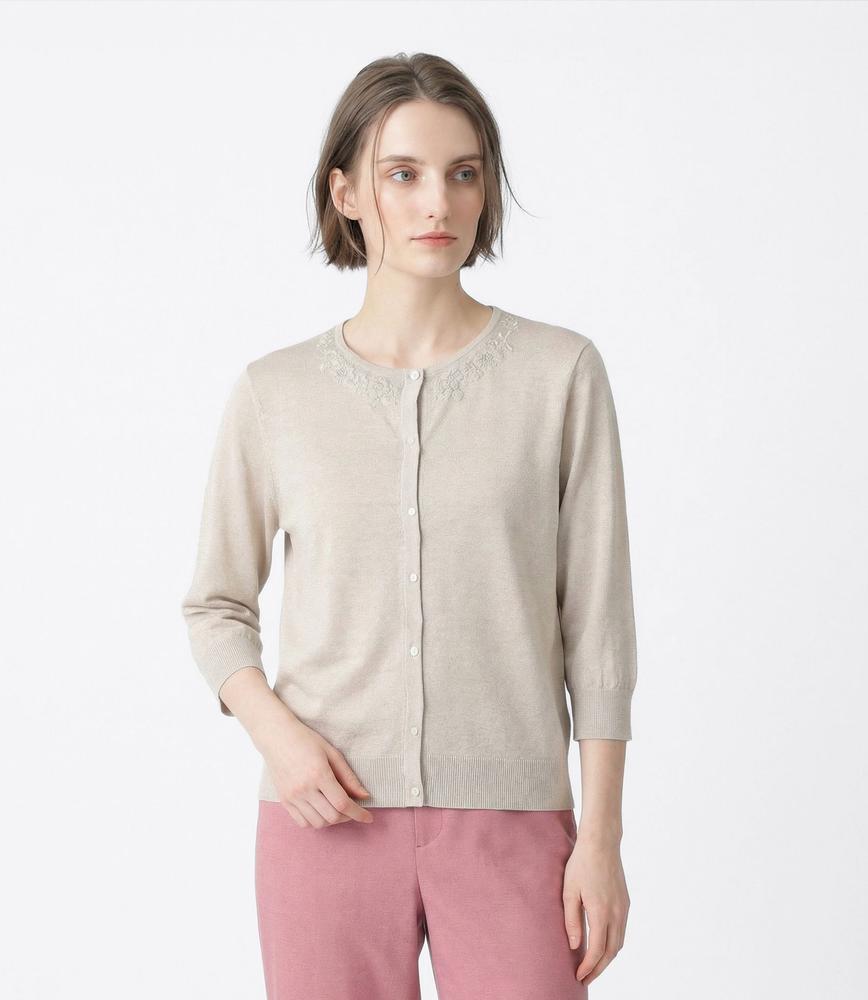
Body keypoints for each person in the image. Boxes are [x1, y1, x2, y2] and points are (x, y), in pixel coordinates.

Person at [181, 51, 638, 1000]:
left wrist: (601, 839)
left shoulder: (559, 376)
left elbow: (597, 629)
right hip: (323, 818)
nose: (439, 202)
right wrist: (279, 739)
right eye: (404, 174)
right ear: (347, 193)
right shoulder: (276, 393)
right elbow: (216, 605)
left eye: (464, 172)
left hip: (515, 820)